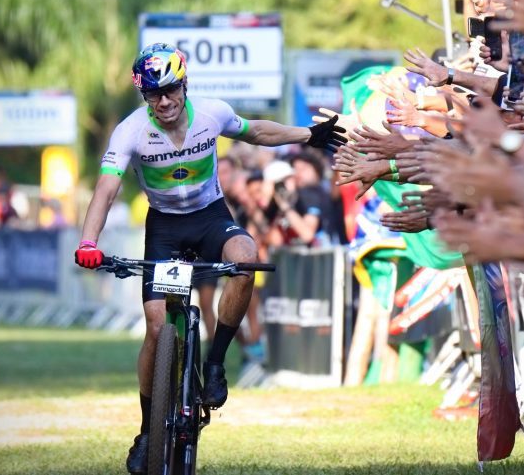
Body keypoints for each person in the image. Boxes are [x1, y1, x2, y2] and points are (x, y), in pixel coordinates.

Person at [73, 43, 345, 475]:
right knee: (157, 326)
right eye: (153, 94)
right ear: (144, 96)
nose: (163, 101)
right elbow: (107, 189)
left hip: (210, 217)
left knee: (246, 258)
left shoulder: (211, 113)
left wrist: (307, 135)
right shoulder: (130, 131)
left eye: (170, 90)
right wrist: (89, 242)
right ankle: (147, 431)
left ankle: (215, 363)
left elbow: (256, 132)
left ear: (184, 85)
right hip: (164, 227)